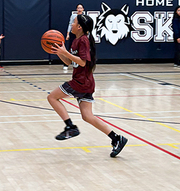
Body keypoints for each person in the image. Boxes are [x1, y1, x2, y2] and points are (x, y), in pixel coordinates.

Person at [48, 14, 128, 157]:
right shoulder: (76, 41)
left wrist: (65, 52)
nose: (71, 24)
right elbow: (68, 62)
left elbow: (83, 62)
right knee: (87, 116)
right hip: (86, 82)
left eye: (74, 22)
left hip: (81, 82)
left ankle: (70, 126)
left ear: (79, 27)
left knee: (52, 97)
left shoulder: (83, 40)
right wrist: (59, 52)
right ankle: (117, 138)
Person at [64, 4, 84, 70]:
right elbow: (70, 24)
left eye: (80, 8)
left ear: (83, 9)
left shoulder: (85, 17)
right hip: (73, 33)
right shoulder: (73, 16)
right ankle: (66, 64)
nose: (79, 9)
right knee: (71, 47)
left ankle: (79, 63)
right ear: (76, 9)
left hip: (81, 34)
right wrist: (68, 34)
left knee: (80, 48)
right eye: (78, 8)